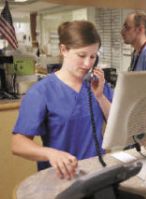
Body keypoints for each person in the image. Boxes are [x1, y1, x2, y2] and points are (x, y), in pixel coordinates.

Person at [11, 20, 113, 180]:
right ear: (63, 49)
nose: (88, 63)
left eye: (93, 56)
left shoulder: (98, 85)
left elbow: (118, 126)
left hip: (97, 175)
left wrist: (100, 97)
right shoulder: (41, 92)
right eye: (81, 55)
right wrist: (50, 154)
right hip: (60, 178)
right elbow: (17, 144)